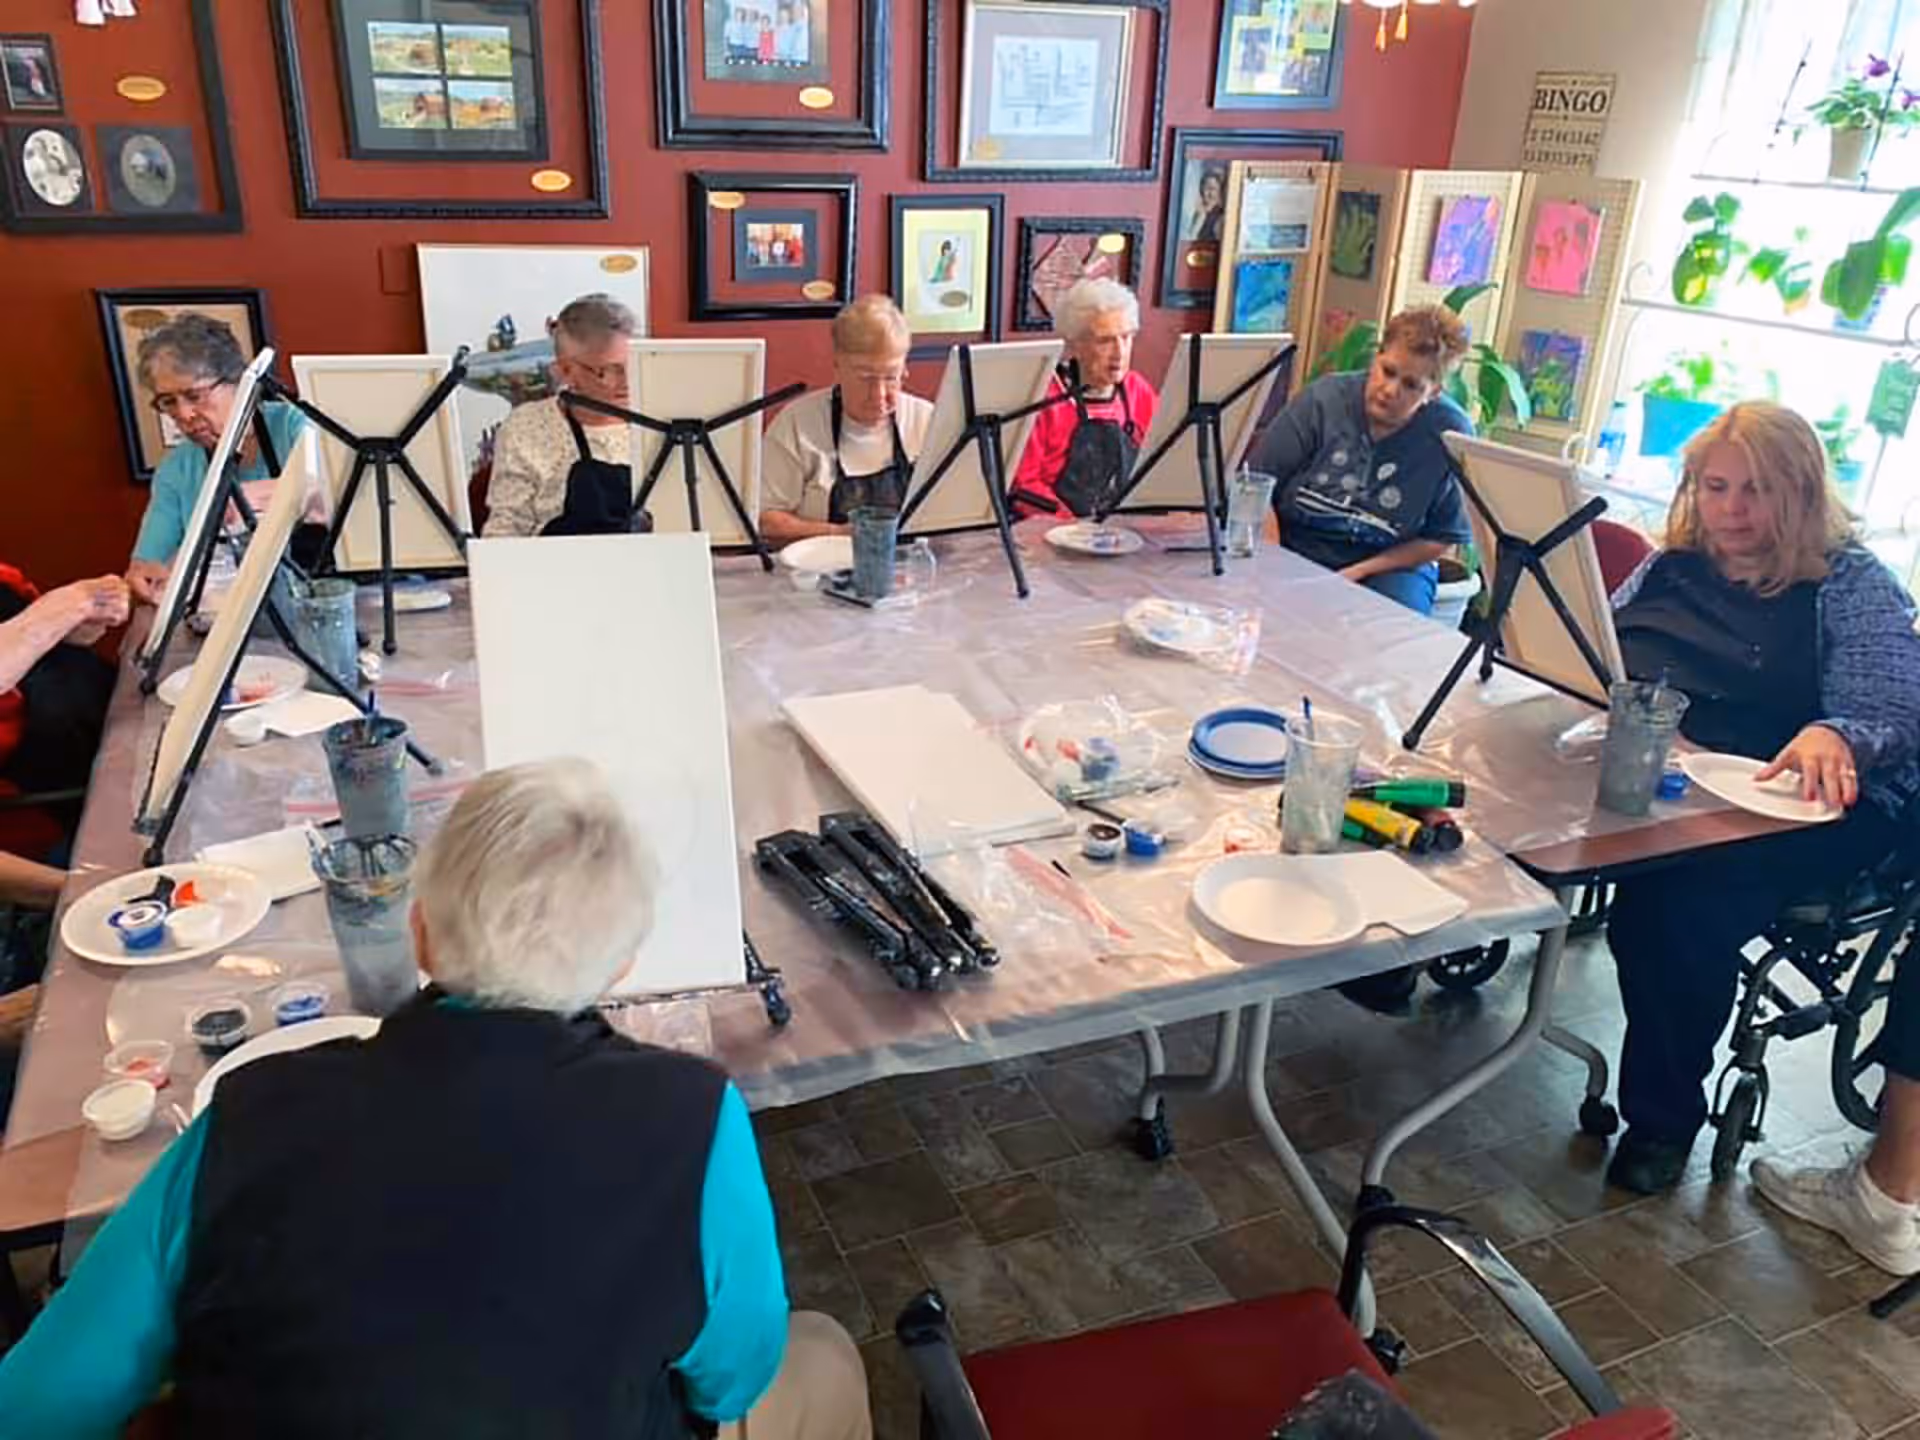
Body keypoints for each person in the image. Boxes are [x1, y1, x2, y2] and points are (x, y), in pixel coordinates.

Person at [0, 758, 872, 1439]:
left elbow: (33, 1408)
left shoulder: (248, 1113)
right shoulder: (693, 1120)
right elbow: (732, 1378)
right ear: (622, 967)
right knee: (822, 1358)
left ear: (419, 932)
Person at [1601, 402, 1920, 1215]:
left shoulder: (1850, 584)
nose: (1732, 511)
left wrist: (1837, 732)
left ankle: (1663, 1119)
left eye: (1758, 491)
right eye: (1715, 487)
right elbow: (1602, 645)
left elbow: (1896, 705)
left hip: (1810, 800)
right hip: (1679, 777)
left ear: (1802, 494)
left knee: (1674, 908)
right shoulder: (1673, 565)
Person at [1248, 305, 1475, 615]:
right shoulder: (1322, 400)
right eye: (1388, 371)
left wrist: (1359, 572)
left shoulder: (1452, 433)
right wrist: (1275, 564)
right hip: (1293, 543)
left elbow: (1442, 537)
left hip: (1389, 561)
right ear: (1375, 358)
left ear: (1433, 392)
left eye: (1411, 385)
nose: (1390, 390)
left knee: (1393, 633)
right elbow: (1255, 485)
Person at [125, 313, 315, 607]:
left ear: (238, 383)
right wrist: (144, 582)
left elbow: (332, 495)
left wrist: (260, 496)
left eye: (194, 395)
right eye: (168, 401)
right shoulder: (177, 470)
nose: (184, 415)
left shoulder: (294, 426)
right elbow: (150, 563)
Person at [759, 294, 935, 544]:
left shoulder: (928, 421)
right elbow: (766, 521)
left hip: (909, 570)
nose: (879, 394)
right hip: (820, 574)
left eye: (891, 377)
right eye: (866, 378)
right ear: (837, 367)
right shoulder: (797, 424)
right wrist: (840, 535)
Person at [482, 293, 647, 538]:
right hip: (554, 568)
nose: (628, 380)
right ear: (566, 371)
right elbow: (507, 527)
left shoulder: (665, 420)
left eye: (636, 363)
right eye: (610, 370)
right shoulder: (526, 426)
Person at [0, 567, 127, 861]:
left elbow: (68, 637)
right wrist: (66, 606)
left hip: (111, 726)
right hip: (53, 804)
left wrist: (90, 615)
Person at [1009, 277, 1159, 521]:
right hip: (1051, 533)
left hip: (1122, 527)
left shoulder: (1137, 391)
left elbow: (1160, 459)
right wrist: (1074, 528)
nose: (1119, 352)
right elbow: (1024, 485)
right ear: (1074, 343)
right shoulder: (1044, 397)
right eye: (1105, 340)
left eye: (1126, 337)